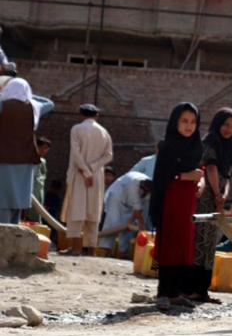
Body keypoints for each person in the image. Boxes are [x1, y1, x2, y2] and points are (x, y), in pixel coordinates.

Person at [149, 102, 204, 311]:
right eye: (184, 121)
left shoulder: (196, 146)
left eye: (193, 122)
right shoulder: (167, 146)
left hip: (188, 202)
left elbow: (200, 169)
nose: (189, 126)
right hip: (171, 201)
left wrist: (201, 181)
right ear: (175, 122)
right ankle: (163, 293)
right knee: (170, 244)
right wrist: (184, 176)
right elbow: (162, 177)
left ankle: (177, 293)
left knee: (183, 245)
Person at [189, 107, 232, 304]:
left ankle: (202, 290)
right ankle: (191, 288)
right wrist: (217, 194)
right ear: (218, 124)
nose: (229, 129)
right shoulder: (210, 140)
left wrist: (224, 195)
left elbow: (227, 175)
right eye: (226, 125)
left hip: (218, 198)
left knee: (210, 242)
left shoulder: (229, 144)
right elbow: (210, 168)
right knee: (200, 240)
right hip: (205, 196)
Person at [60, 104, 113, 256]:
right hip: (96, 176)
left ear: (81, 115)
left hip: (80, 174)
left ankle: (76, 248)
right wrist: (92, 168)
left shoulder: (76, 129)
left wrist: (85, 171)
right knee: (93, 212)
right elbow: (108, 156)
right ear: (96, 116)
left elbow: (76, 154)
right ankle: (91, 250)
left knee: (77, 210)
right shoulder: (104, 132)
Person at [0, 78, 54, 224]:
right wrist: (27, 95)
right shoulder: (34, 106)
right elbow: (49, 103)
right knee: (18, 199)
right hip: (26, 160)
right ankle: (14, 229)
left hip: (4, 158)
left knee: (3, 198)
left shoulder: (2, 105)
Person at [98, 171, 152, 257]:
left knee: (128, 228)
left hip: (129, 203)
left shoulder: (151, 189)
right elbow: (137, 209)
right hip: (117, 196)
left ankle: (123, 252)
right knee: (112, 222)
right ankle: (105, 249)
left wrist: (130, 220)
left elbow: (140, 207)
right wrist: (142, 225)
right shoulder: (134, 183)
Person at [24, 137, 51, 223]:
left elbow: (43, 176)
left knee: (37, 214)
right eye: (41, 147)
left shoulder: (43, 162)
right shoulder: (29, 160)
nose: (43, 150)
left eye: (46, 148)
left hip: (39, 191)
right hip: (30, 191)